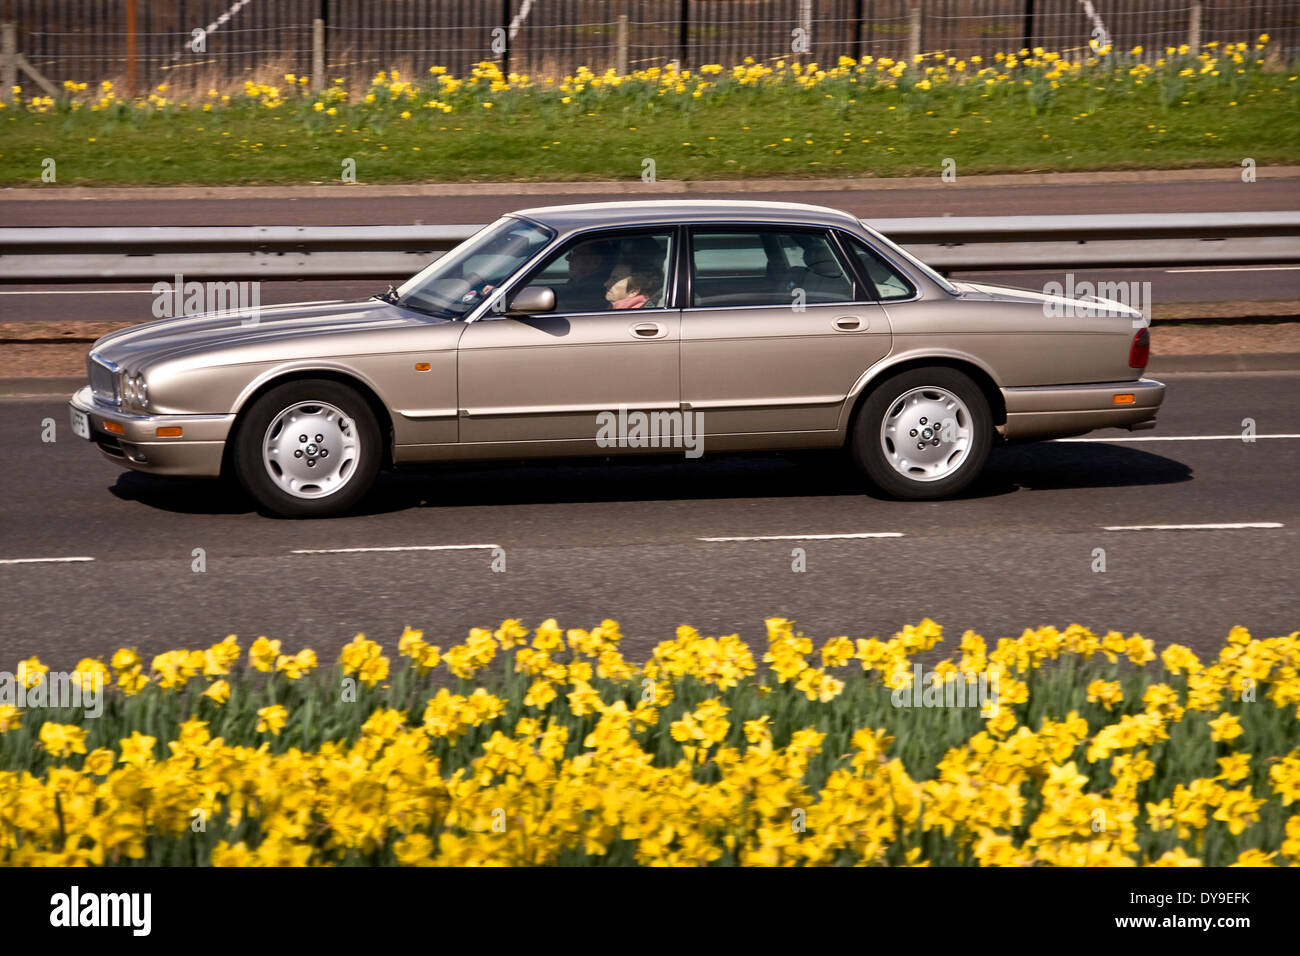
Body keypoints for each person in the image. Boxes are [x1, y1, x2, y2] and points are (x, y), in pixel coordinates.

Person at [559, 239, 617, 312]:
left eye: (575, 253)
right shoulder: (579, 284)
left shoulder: (593, 293)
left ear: (596, 261)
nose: (567, 258)